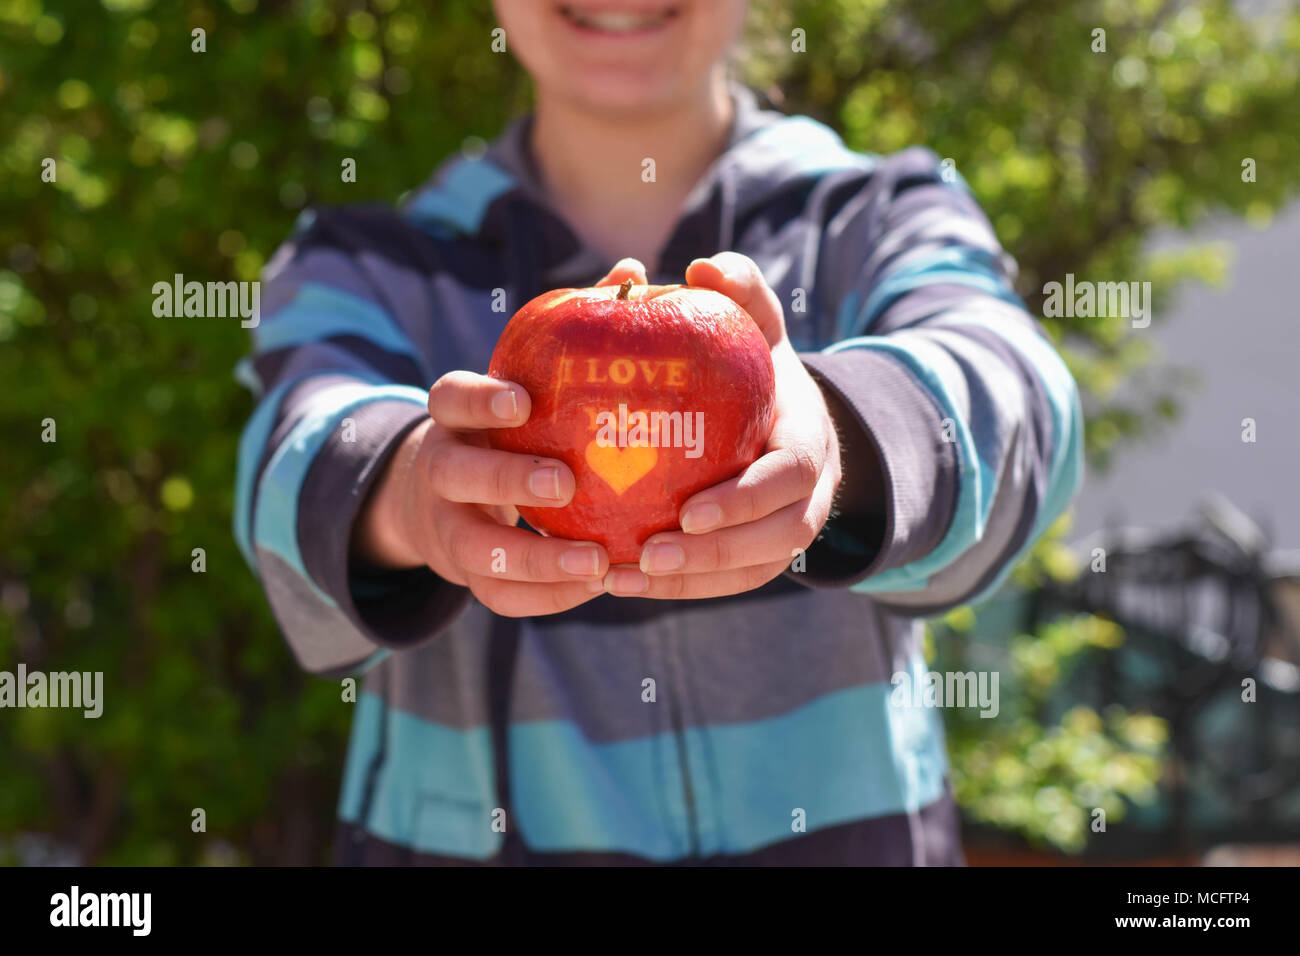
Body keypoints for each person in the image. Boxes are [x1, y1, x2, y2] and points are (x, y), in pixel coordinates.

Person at [235, 0, 1082, 865]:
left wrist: (843, 437)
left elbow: (1023, 397)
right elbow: (290, 455)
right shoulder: (371, 262)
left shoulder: (873, 215)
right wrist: (408, 491)